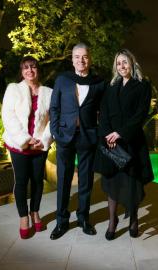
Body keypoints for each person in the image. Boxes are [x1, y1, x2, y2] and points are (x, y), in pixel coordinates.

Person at [94, 49, 154, 240]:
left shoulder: (142, 85)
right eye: (118, 63)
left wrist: (121, 134)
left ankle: (134, 218)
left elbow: (141, 114)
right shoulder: (110, 86)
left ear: (132, 63)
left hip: (131, 141)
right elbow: (102, 114)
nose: (122, 66)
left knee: (131, 182)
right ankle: (113, 221)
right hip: (111, 143)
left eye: (125, 62)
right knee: (112, 182)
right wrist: (108, 137)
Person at [49, 43, 105, 240]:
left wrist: (99, 133)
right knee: (63, 180)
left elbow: (103, 111)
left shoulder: (98, 83)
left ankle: (83, 219)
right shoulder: (63, 80)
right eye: (77, 57)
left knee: (86, 181)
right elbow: (54, 107)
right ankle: (61, 221)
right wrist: (55, 132)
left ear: (90, 59)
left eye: (85, 56)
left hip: (87, 137)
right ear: (72, 59)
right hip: (65, 136)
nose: (81, 60)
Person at [2, 56, 53, 239]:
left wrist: (44, 138)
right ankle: (24, 217)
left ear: (38, 69)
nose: (29, 70)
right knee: (22, 181)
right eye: (25, 68)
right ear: (21, 71)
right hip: (19, 145)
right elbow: (8, 116)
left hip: (39, 146)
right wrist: (25, 139)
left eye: (33, 67)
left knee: (38, 180)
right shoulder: (13, 89)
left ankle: (35, 212)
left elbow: (53, 119)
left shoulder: (49, 92)